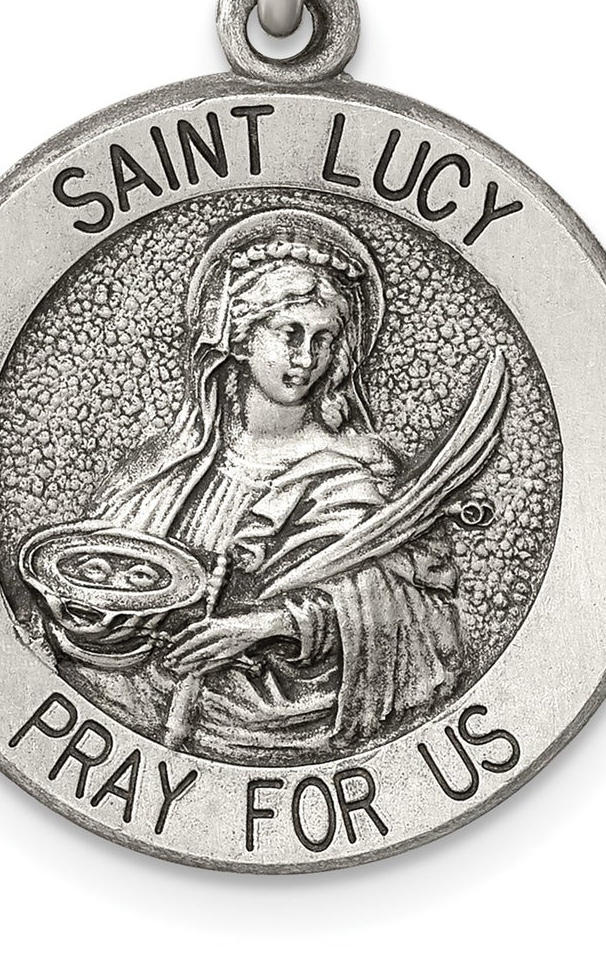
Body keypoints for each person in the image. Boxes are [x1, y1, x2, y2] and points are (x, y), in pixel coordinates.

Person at [42, 208, 468, 763]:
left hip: (276, 719)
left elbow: (413, 611)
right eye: (289, 334)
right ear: (242, 336)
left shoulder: (358, 474)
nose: (306, 358)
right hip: (133, 694)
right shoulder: (167, 467)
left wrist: (267, 627)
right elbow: (93, 572)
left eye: (323, 338)